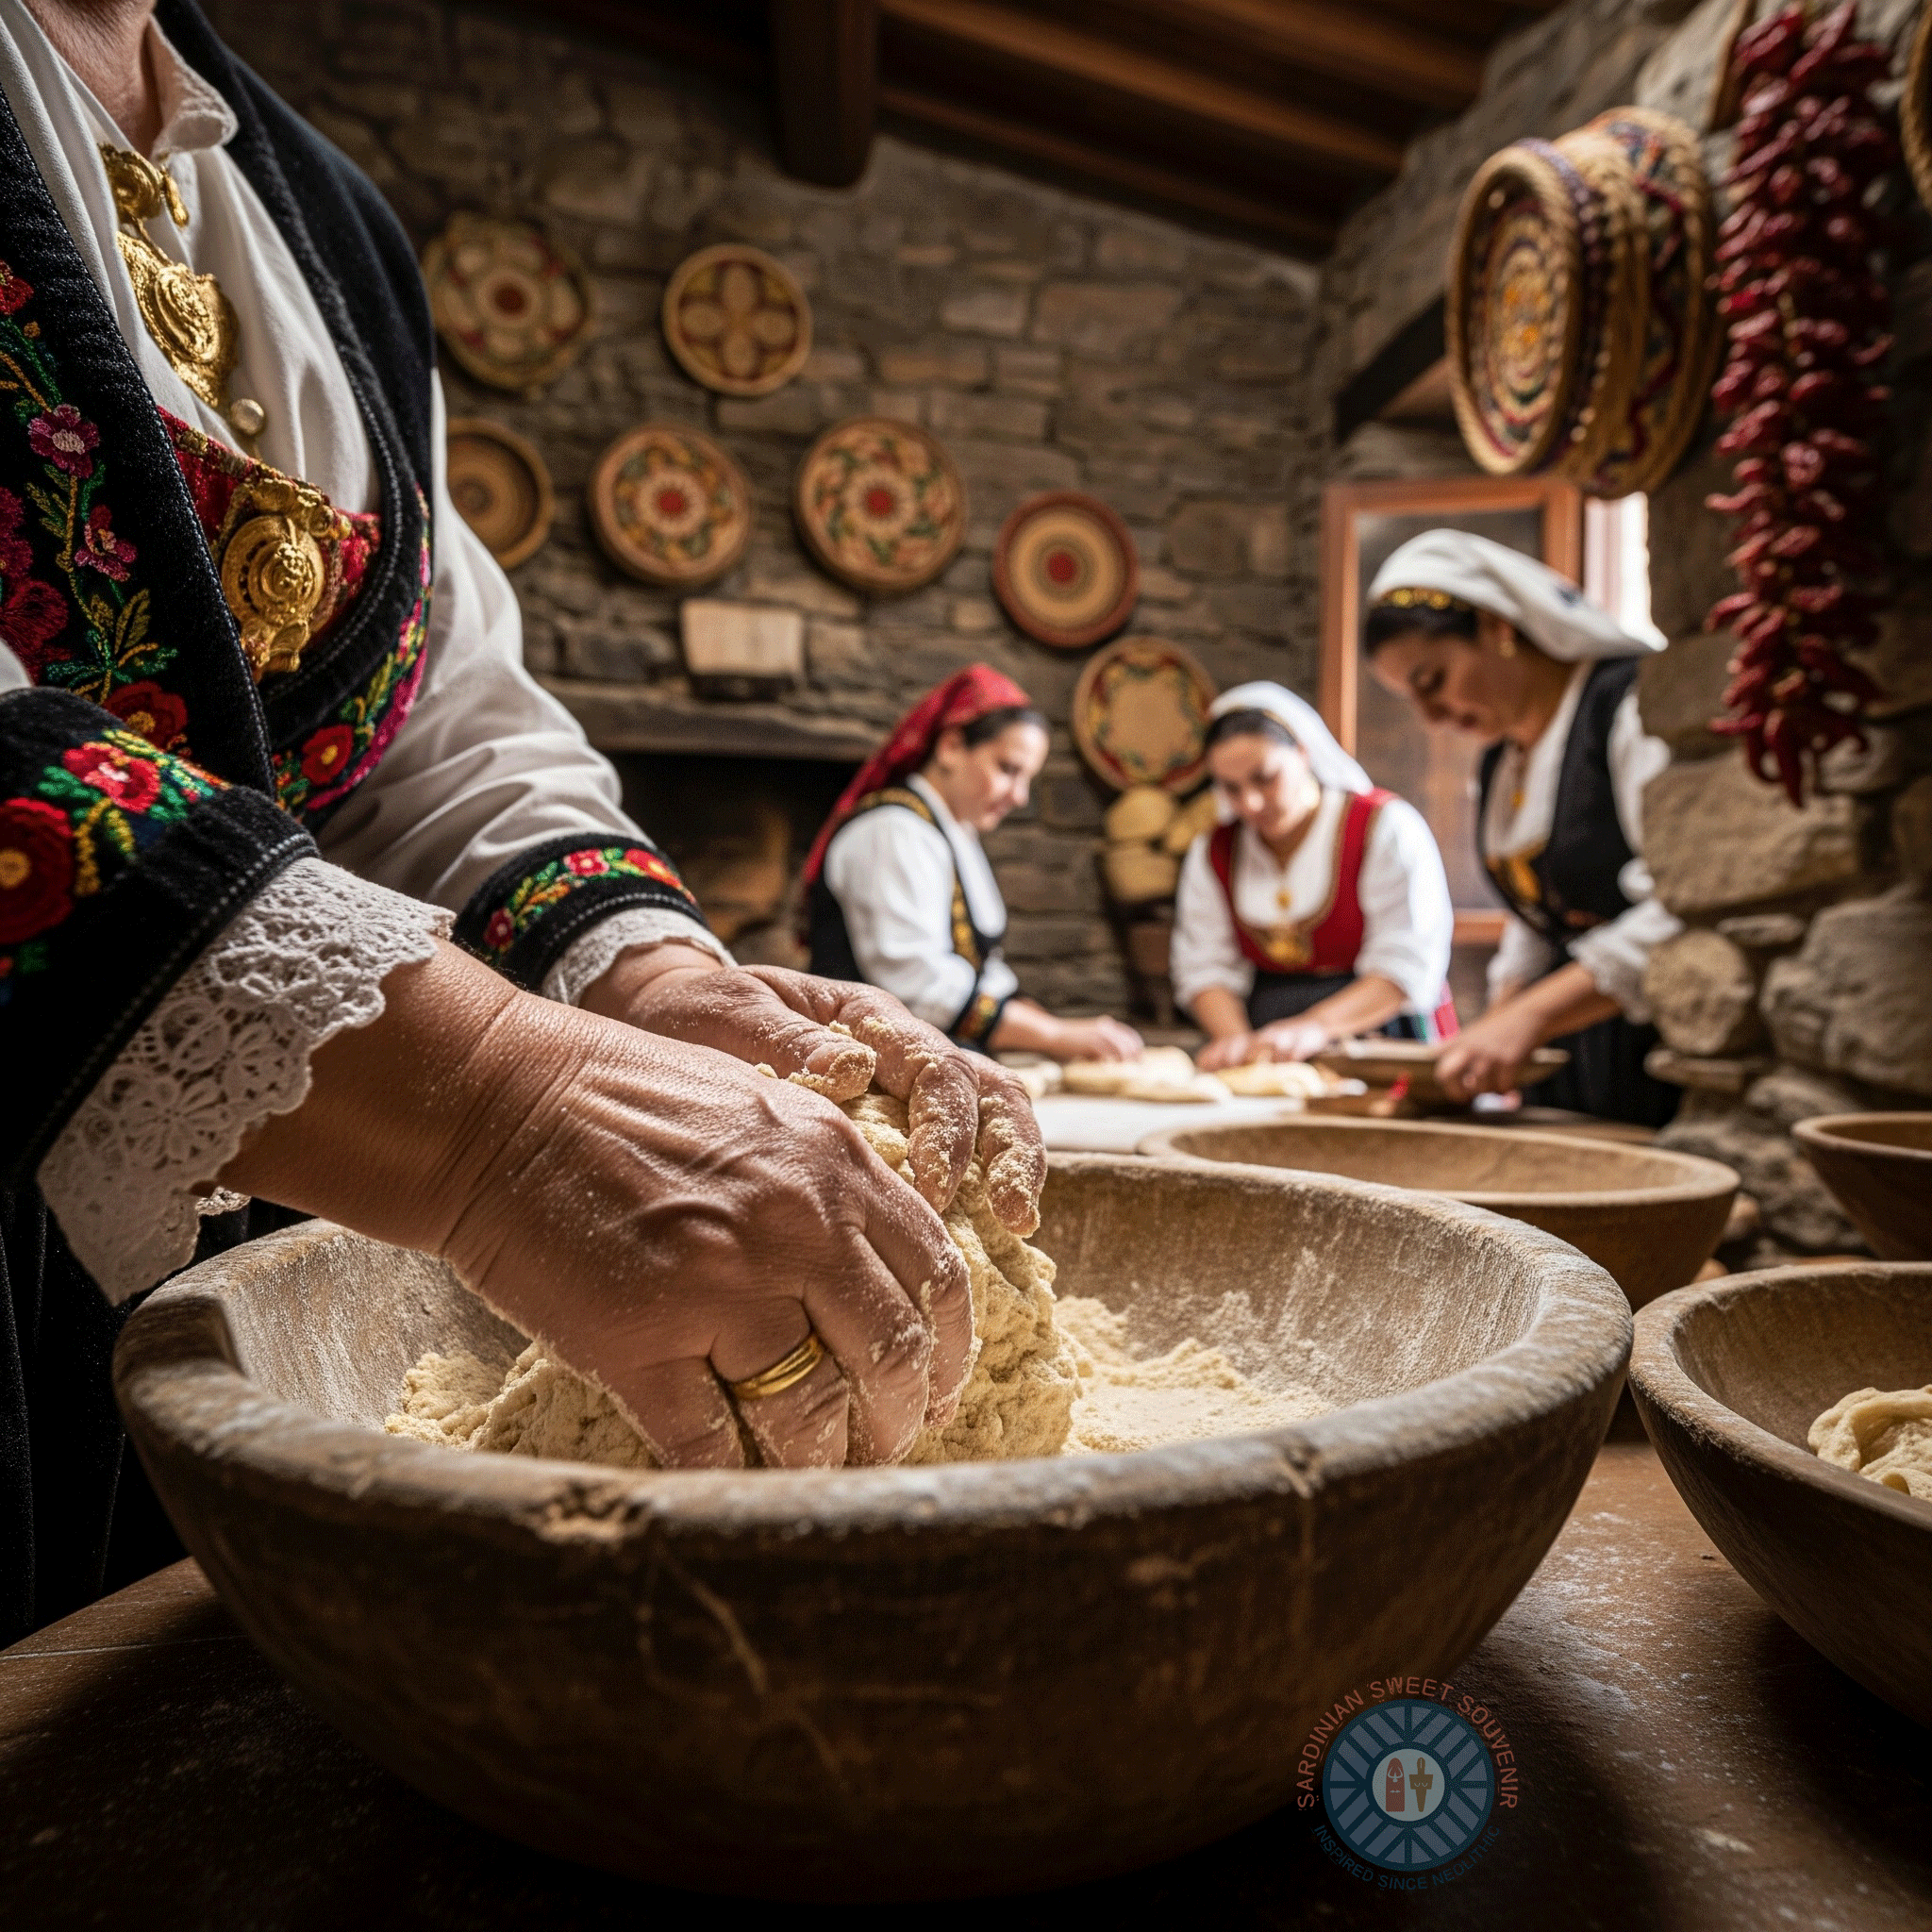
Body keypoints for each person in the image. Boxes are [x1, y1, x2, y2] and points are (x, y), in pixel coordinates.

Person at [0, 0, 1045, 1647]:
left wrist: (643, 980)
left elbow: (429, 715)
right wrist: (494, 1105)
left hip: (233, 1234)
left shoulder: (325, 214)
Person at [1363, 529, 1682, 1125]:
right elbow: (1537, 916)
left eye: (1432, 681)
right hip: (1566, 1055)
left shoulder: (1624, 708)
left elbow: (1678, 905)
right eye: (1413, 700)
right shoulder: (1503, 758)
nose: (1430, 717)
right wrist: (1496, 1026)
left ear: (1496, 627)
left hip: (1653, 1045)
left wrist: (1530, 1016)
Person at [805, 664, 1142, 1062]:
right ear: (950, 747)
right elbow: (919, 988)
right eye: (1008, 769)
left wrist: (1062, 1031)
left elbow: (983, 972)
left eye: (1027, 779)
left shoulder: (952, 830)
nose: (1019, 797)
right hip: (864, 1068)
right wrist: (1053, 1035)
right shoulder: (893, 832)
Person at [1171, 681, 1456, 1070]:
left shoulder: (1383, 827)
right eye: (1232, 789)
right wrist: (1236, 1040)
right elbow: (1204, 966)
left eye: (1265, 777)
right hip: (1269, 1037)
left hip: (1379, 1031)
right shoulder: (1214, 850)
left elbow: (1407, 962)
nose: (1250, 803)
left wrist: (1316, 1027)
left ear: (1304, 754)